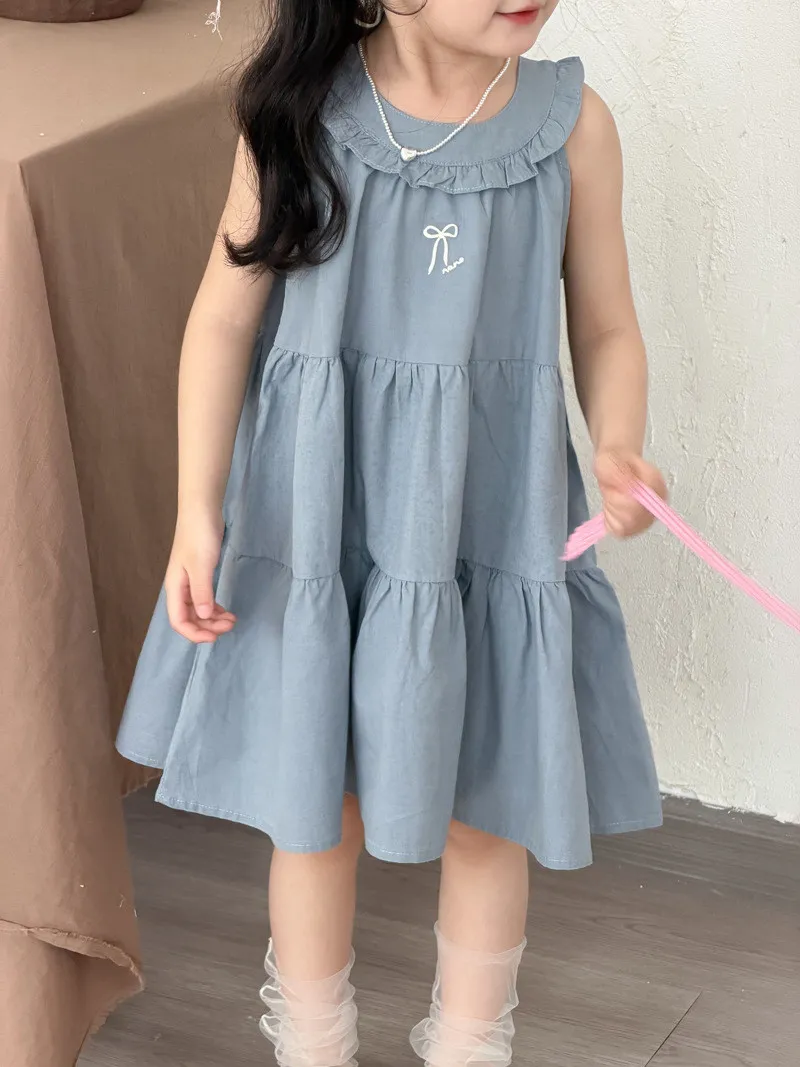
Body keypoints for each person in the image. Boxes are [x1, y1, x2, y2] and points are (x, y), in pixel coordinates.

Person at [117, 1, 668, 1063]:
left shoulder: (574, 129)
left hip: (487, 518)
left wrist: (618, 443)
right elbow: (223, 317)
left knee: (488, 797)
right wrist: (197, 510)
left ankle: (471, 1039)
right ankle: (311, 1038)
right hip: (321, 516)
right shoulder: (297, 117)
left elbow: (605, 325)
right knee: (316, 801)